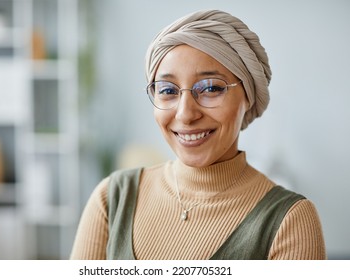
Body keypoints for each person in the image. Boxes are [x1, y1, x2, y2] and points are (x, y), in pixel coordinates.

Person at [70, 9, 326, 260]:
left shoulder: (290, 220)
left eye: (211, 88)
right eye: (168, 90)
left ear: (248, 96)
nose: (185, 114)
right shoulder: (112, 199)